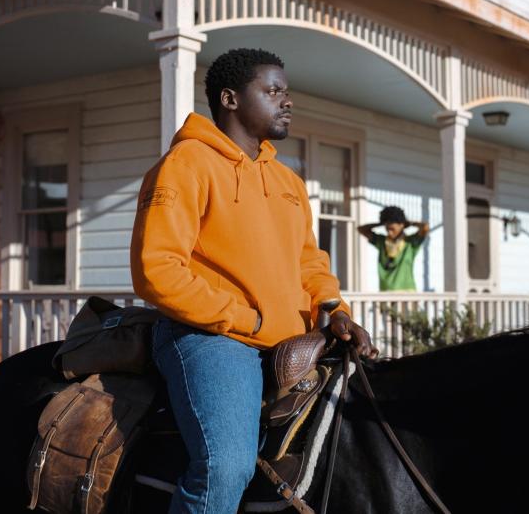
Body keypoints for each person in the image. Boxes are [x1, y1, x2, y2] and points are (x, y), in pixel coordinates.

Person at [130, 48, 377, 514]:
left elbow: (309, 259)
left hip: (294, 340)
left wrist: (336, 310)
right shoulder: (185, 165)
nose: (287, 101)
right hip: (213, 339)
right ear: (230, 99)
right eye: (272, 91)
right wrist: (248, 317)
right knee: (226, 467)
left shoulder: (288, 181)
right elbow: (156, 271)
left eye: (286, 92)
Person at [358, 206, 429, 292]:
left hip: (407, 293)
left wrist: (408, 223)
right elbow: (361, 229)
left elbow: (425, 227)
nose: (389, 232)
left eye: (392, 229)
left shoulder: (410, 243)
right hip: (385, 292)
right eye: (387, 229)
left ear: (402, 225)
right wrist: (381, 223)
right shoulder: (381, 242)